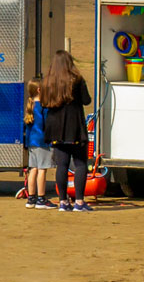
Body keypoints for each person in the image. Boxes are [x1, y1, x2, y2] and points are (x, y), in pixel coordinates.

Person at [39, 49, 94, 212]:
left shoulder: (48, 81)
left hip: (55, 126)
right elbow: (86, 100)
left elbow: (43, 103)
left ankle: (63, 201)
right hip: (74, 125)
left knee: (61, 165)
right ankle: (79, 201)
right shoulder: (76, 79)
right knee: (80, 163)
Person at [22, 78, 55, 209]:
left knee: (33, 169)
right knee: (42, 170)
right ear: (40, 90)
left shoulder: (30, 107)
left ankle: (31, 198)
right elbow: (46, 125)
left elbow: (27, 128)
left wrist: (26, 143)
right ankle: (41, 198)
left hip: (32, 143)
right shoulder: (43, 107)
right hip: (42, 142)